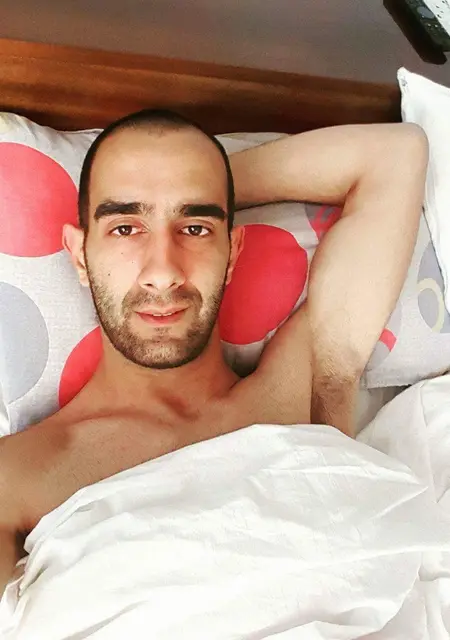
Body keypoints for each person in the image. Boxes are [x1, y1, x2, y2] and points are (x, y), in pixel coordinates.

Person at [0, 109, 428, 596]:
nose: (163, 273)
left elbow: (396, 154)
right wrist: (193, 195)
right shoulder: (17, 477)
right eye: (125, 228)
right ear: (79, 255)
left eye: (195, 228)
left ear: (232, 253)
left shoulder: (308, 388)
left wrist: (216, 184)